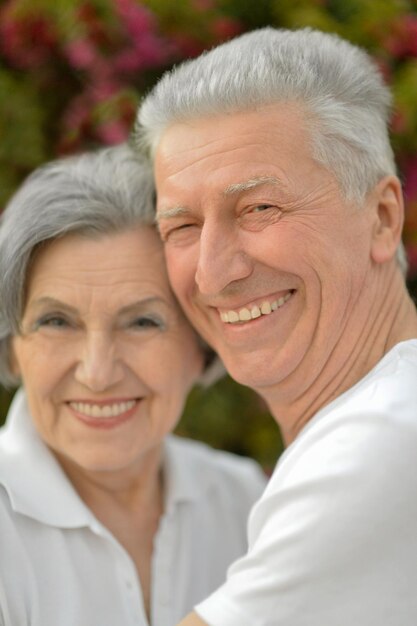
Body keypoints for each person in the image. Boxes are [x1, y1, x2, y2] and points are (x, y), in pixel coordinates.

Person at [135, 27, 417, 625]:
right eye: (181, 227)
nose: (213, 275)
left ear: (383, 218)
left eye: (260, 208)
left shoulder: (379, 445)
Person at [0, 144, 267, 626]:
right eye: (56, 321)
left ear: (200, 345)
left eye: (142, 322)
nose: (97, 373)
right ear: (12, 347)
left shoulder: (242, 501)